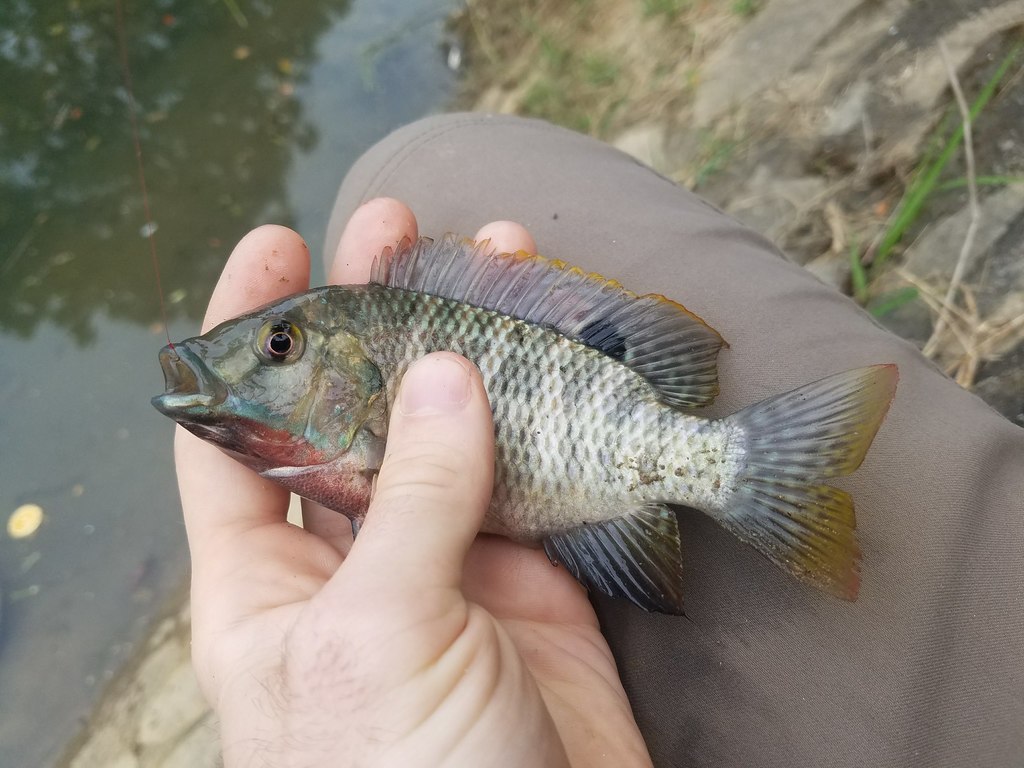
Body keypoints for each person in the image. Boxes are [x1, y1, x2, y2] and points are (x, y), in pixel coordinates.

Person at [174, 114, 1024, 768]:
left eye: (281, 347)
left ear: (350, 367)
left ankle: (746, 470)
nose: (266, 358)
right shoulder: (322, 428)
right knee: (419, 157)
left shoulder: (363, 426)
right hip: (584, 514)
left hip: (603, 480)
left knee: (399, 171)